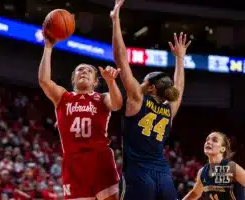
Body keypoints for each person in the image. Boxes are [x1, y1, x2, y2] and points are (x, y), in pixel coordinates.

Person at [110, 0, 191, 199]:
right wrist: (180, 59)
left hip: (139, 174)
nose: (139, 82)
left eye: (143, 81)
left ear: (151, 87)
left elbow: (121, 58)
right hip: (163, 175)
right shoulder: (168, 109)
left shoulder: (138, 99)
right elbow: (179, 88)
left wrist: (115, 21)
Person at [38, 33, 123, 199]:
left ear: (95, 82)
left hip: (100, 158)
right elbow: (44, 81)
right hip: (73, 162)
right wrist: (48, 48)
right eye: (80, 70)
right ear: (73, 79)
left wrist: (112, 82)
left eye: (89, 71)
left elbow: (117, 104)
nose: (84, 72)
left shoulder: (102, 97)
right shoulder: (63, 97)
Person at [183, 131, 245, 200]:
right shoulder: (202, 171)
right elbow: (195, 193)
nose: (208, 142)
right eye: (207, 140)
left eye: (214, 140)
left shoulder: (230, 167)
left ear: (223, 149)